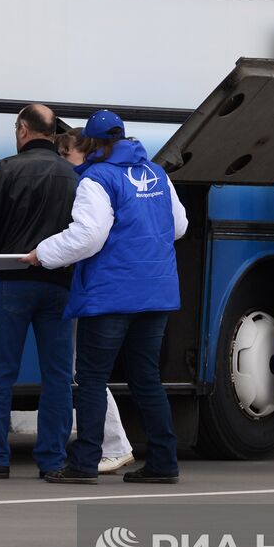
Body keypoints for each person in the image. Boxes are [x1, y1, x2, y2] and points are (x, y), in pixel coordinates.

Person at [25, 110, 188, 484]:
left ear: (92, 144)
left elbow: (89, 236)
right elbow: (179, 226)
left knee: (92, 379)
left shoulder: (98, 178)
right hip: (157, 293)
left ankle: (84, 463)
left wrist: (43, 254)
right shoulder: (158, 174)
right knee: (146, 378)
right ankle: (164, 462)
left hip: (112, 294)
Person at [0, 104, 79, 480]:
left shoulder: (4, 169)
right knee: (57, 376)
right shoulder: (73, 174)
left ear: (23, 129)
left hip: (13, 282)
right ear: (52, 132)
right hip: (60, 284)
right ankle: (52, 460)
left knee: (1, 372)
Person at [56, 131, 135, 474]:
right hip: (103, 287)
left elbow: (88, 236)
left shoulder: (90, 182)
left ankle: (113, 444)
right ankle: (109, 443)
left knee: (86, 371)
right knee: (87, 371)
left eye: (66, 152)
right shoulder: (109, 179)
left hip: (94, 288)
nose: (62, 159)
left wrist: (43, 254)